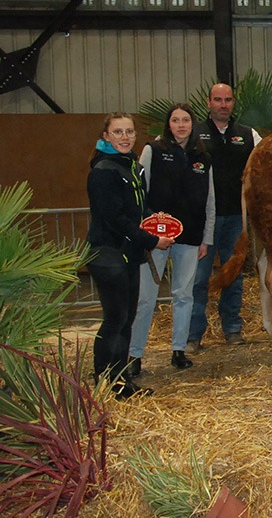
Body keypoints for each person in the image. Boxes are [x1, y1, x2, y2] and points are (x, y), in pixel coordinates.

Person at [86, 112, 173, 399]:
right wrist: (152, 239)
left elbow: (137, 211)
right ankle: (106, 380)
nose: (125, 137)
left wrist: (153, 219)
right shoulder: (103, 171)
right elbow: (116, 219)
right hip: (109, 254)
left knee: (126, 319)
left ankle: (120, 380)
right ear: (105, 136)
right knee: (116, 319)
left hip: (128, 254)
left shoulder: (132, 167)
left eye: (129, 132)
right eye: (118, 132)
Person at [128, 104, 215, 375]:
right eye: (176, 120)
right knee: (146, 297)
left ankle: (178, 350)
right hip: (155, 239)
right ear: (169, 124)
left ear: (193, 124)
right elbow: (139, 194)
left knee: (183, 295)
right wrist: (148, 232)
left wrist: (206, 238)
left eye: (186, 120)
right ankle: (135, 355)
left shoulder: (203, 158)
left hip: (190, 237)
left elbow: (210, 201)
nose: (181, 125)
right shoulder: (153, 151)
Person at [188, 83, 261, 352]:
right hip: (202, 220)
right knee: (198, 278)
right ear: (208, 103)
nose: (223, 104)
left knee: (234, 275)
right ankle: (194, 335)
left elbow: (263, 165)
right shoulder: (194, 133)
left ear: (233, 103)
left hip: (235, 218)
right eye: (218, 100)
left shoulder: (248, 135)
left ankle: (232, 329)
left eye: (228, 100)